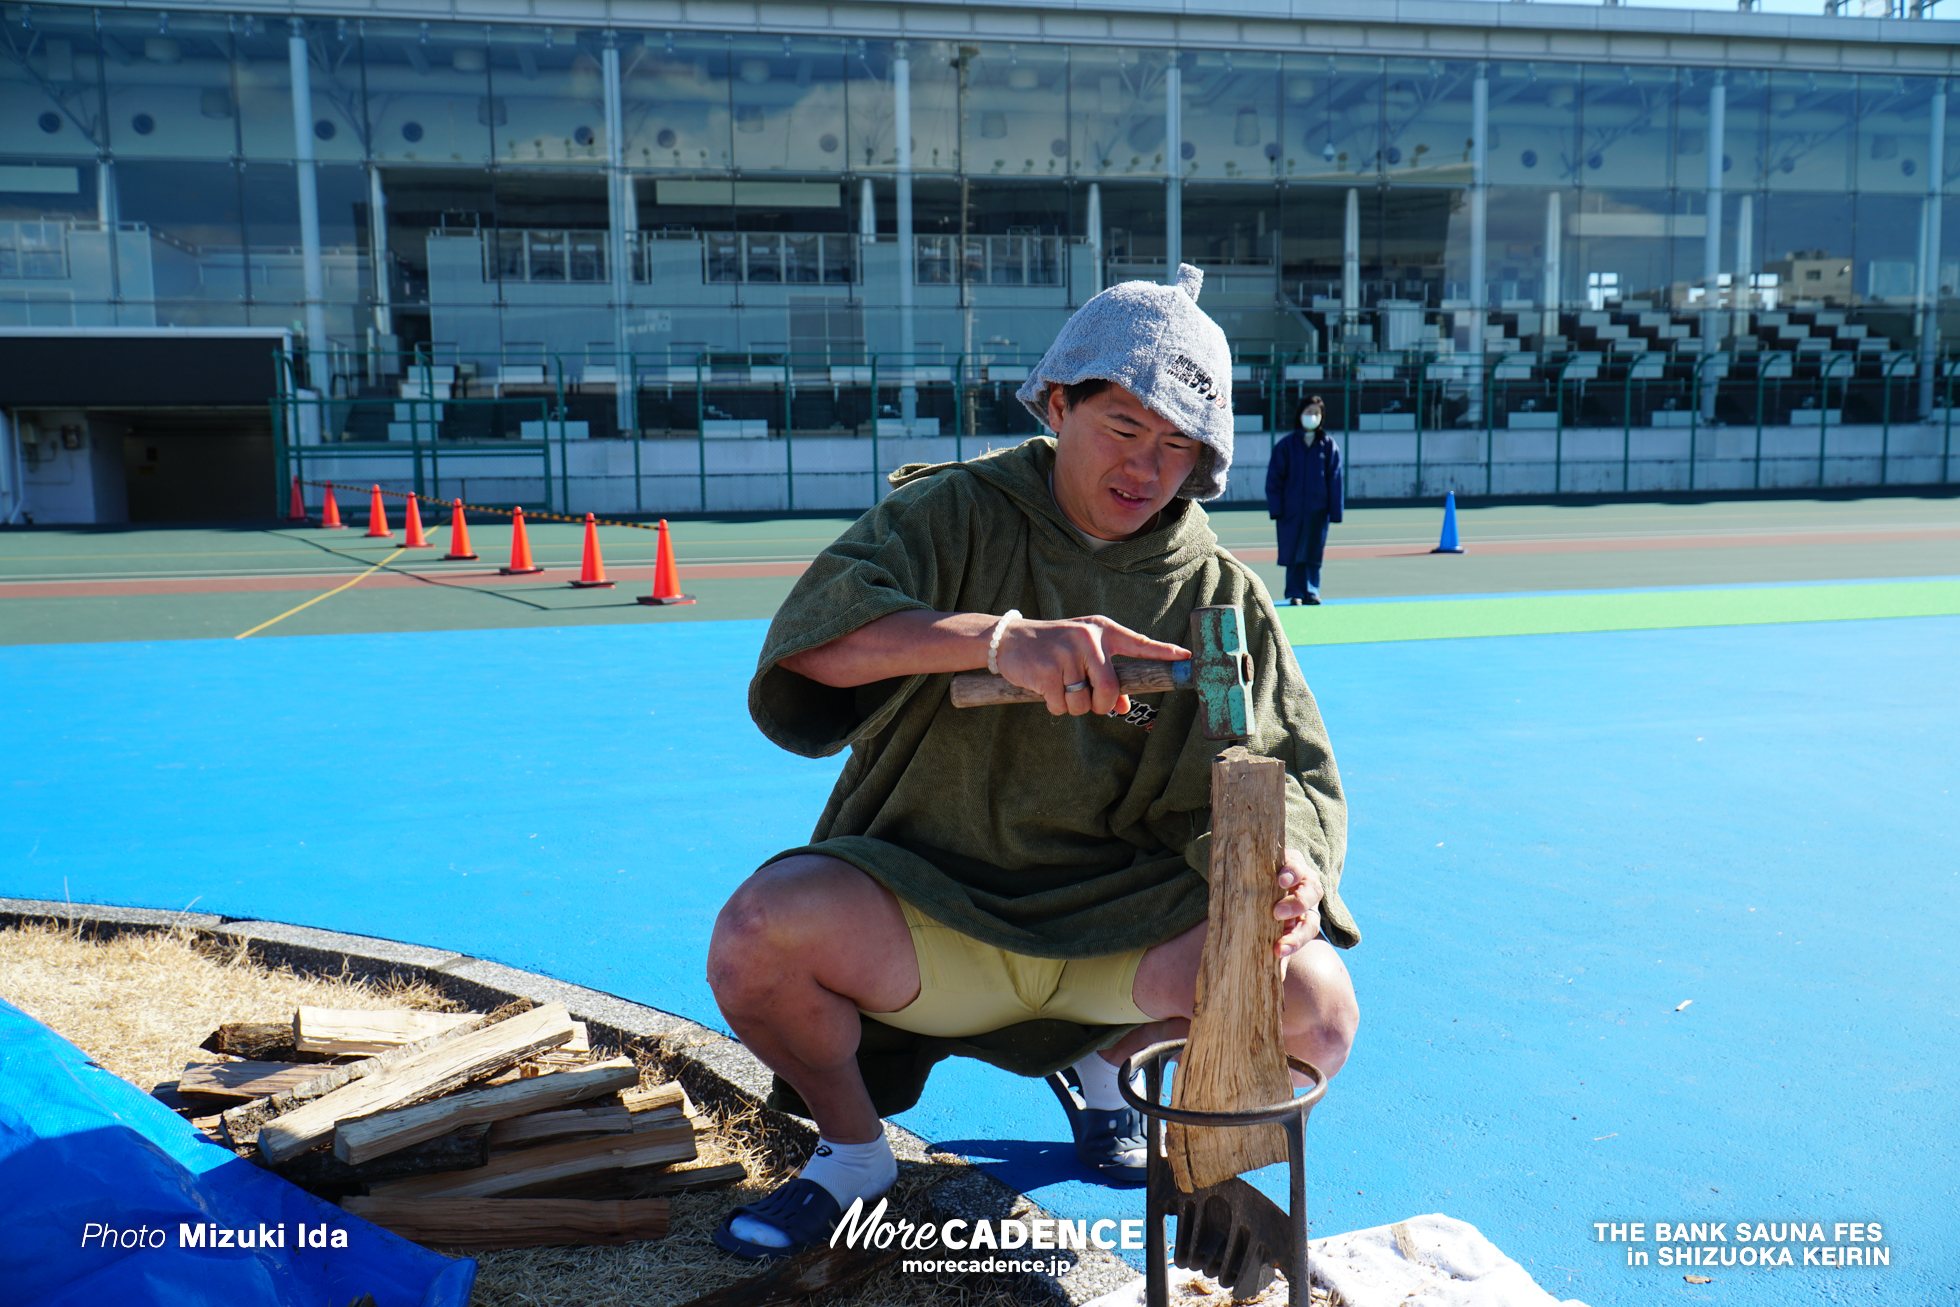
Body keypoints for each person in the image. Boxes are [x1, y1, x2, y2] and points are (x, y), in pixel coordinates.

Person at [705, 266, 1360, 1260]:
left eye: (1179, 443)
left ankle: (1161, 1138)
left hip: (1116, 934)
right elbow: (811, 642)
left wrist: (1291, 870)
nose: (1147, 464)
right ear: (1059, 402)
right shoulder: (954, 514)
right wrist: (995, 639)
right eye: (1125, 426)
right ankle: (851, 1157)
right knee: (760, 932)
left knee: (1310, 1000)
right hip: (931, 905)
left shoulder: (1219, 595)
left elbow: (1287, 763)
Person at [1264, 396, 1344, 605]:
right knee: (1292, 550)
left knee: (1314, 551)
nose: (1312, 416)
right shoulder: (1286, 446)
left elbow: (1335, 479)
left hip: (1319, 509)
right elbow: (1274, 479)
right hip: (1291, 509)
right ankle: (1294, 592)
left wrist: (1335, 512)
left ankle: (1312, 591)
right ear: (1299, 414)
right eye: (1309, 411)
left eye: (1317, 413)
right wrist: (1276, 508)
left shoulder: (1327, 446)